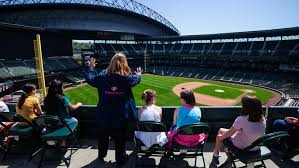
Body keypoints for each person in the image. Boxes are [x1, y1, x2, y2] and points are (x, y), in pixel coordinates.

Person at [85, 53, 142, 166]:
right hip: (121, 116)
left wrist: (91, 67)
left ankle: (101, 155)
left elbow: (89, 78)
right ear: (124, 63)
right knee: (120, 139)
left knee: (103, 137)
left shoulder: (102, 76)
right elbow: (137, 79)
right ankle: (120, 159)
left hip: (104, 114)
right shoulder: (127, 78)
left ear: (111, 63)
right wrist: (139, 74)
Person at [209, 96, 266, 168]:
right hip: (257, 147)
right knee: (222, 131)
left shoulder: (241, 119)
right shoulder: (262, 117)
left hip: (245, 148)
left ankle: (216, 154)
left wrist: (221, 138)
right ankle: (223, 153)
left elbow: (230, 133)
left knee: (220, 133)